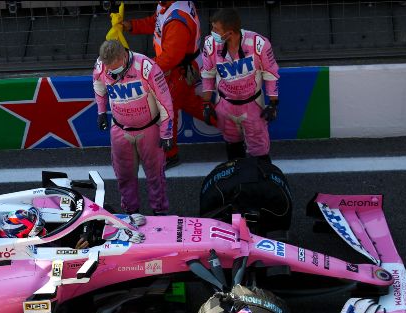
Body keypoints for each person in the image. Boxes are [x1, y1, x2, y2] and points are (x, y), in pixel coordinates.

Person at [121, 1, 216, 167]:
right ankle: (231, 124)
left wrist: (140, 68)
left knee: (166, 110)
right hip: (180, 67)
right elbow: (157, 22)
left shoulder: (176, 21)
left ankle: (169, 155)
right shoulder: (168, 6)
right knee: (190, 104)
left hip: (179, 70)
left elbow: (170, 58)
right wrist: (132, 26)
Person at [93, 40, 175, 216]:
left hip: (149, 130)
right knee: (124, 177)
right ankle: (131, 214)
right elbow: (98, 86)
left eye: (114, 68)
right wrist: (101, 111)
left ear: (123, 56)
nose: (110, 72)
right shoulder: (101, 65)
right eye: (108, 68)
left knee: (155, 177)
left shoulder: (146, 67)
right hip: (120, 130)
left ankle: (160, 214)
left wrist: (166, 132)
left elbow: (164, 100)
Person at [200, 8, 280, 163]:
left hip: (253, 105)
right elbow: (207, 74)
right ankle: (238, 183)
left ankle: (262, 182)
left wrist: (273, 104)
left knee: (259, 151)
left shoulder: (259, 43)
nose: (212, 32)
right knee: (233, 148)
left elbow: (271, 74)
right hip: (225, 105)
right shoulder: (210, 44)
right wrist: (206, 103)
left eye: (216, 29)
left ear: (229, 33)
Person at [0, 207, 146, 248]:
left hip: (72, 233)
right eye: (38, 230)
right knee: (87, 242)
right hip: (67, 250)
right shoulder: (23, 255)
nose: (43, 230)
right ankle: (113, 232)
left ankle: (111, 221)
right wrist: (75, 252)